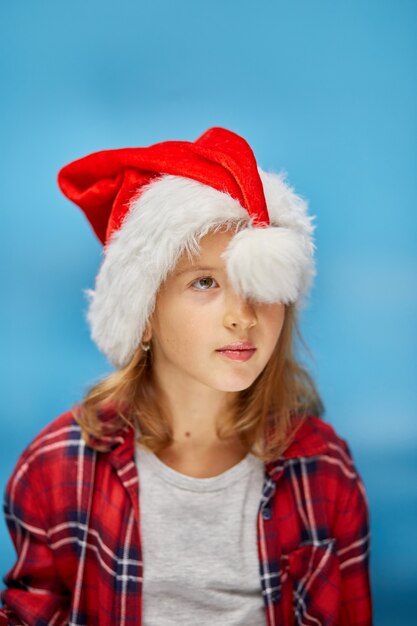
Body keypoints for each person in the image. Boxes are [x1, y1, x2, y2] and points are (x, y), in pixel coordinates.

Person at [0, 127, 372, 625]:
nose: (243, 315)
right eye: (204, 282)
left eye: (258, 282)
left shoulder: (325, 470)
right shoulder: (57, 470)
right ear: (144, 312)